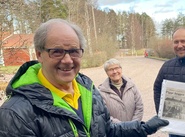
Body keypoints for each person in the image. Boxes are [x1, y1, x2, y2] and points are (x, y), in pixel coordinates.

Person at [0, 18, 168, 137]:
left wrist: (144, 128)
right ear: (39, 54)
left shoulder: (89, 92)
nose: (67, 60)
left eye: (73, 51)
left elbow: (107, 130)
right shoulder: (15, 114)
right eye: (56, 51)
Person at [98, 58, 144, 123]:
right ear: (106, 73)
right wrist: (122, 127)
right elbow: (104, 114)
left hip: (134, 130)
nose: (115, 71)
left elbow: (139, 107)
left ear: (121, 69)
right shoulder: (101, 92)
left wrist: (133, 125)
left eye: (117, 68)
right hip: (115, 131)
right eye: (111, 69)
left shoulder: (132, 86)